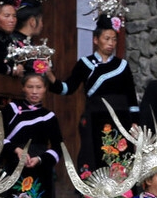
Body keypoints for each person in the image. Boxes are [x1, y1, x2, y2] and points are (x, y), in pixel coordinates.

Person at [47, 14, 139, 173]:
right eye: (107, 38)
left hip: (121, 120)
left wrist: (135, 122)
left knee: (121, 156)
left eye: (114, 39)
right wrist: (50, 76)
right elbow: (67, 88)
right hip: (94, 119)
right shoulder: (84, 64)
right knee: (94, 155)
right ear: (96, 40)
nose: (111, 43)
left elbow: (131, 97)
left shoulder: (122, 65)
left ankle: (122, 195)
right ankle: (92, 194)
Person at [0, 73, 63, 198]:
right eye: (30, 87)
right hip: (15, 167)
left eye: (39, 87)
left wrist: (41, 159)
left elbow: (58, 146)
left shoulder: (49, 116)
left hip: (40, 169)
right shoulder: (10, 110)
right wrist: (16, 151)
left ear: (45, 90)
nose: (34, 92)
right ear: (23, 88)